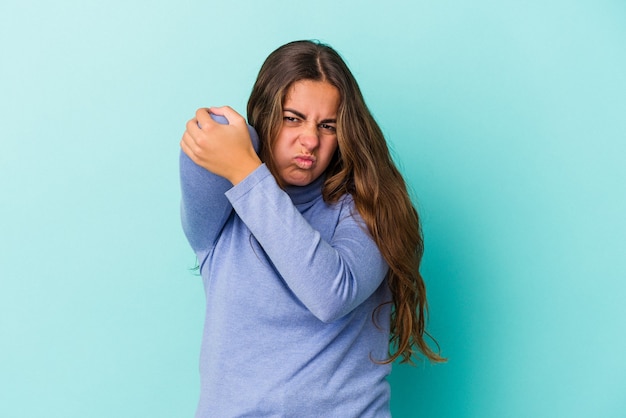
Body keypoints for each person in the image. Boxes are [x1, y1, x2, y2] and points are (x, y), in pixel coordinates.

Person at [179, 40, 445, 417]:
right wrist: (246, 159)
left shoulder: (369, 209)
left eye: (327, 126)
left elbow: (330, 294)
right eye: (292, 118)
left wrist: (247, 172)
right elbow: (213, 133)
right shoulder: (224, 212)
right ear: (266, 115)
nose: (310, 140)